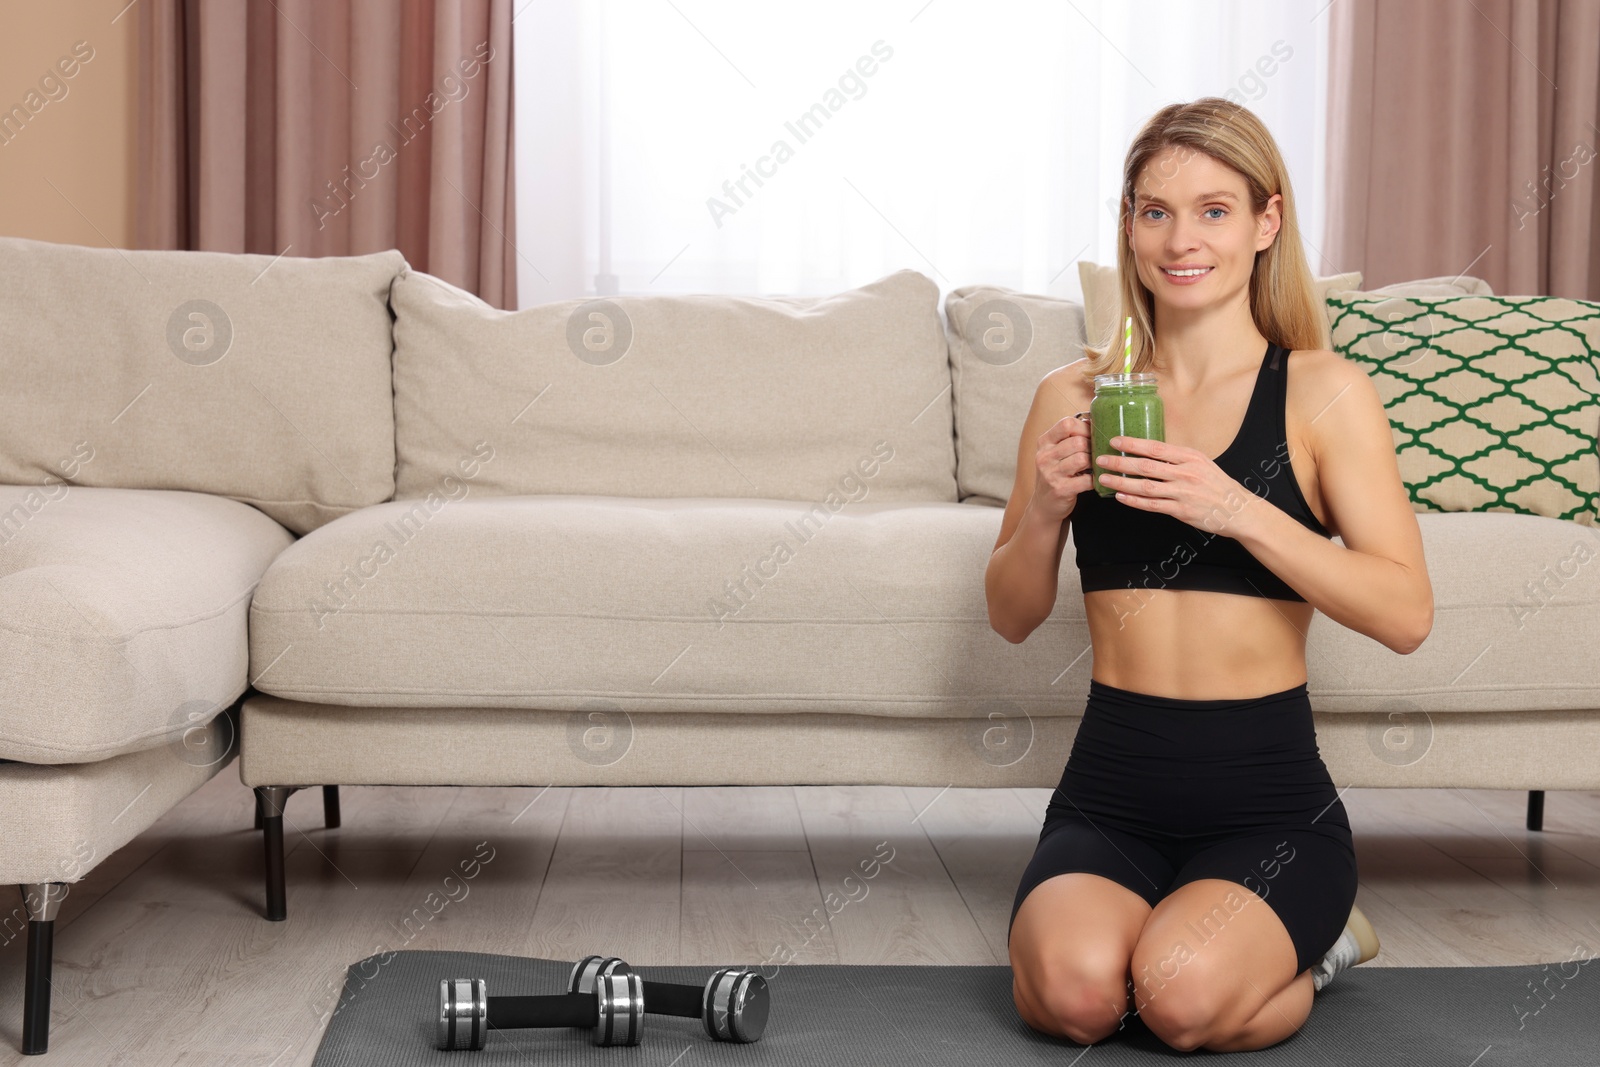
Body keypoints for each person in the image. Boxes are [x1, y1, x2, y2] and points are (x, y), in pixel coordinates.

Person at [986, 96, 1433, 1053]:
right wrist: (1044, 508)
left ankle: (1313, 948)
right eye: (1155, 211)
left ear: (1267, 223)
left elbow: (1405, 612)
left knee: (1177, 998)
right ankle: (1204, 944)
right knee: (1074, 1000)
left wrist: (1235, 506)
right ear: (1129, 228)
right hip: (1110, 795)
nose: (1181, 238)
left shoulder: (1324, 392)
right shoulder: (1070, 397)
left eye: (1214, 210)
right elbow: (1012, 615)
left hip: (1269, 805)